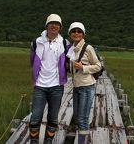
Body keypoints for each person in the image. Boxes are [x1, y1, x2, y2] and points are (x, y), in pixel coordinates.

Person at [29, 14, 70, 144]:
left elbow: (69, 61)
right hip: (40, 85)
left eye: (57, 24)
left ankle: (48, 140)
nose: (54, 26)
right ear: (47, 25)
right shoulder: (37, 42)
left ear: (60, 27)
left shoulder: (64, 43)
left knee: (53, 117)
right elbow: (32, 61)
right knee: (35, 116)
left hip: (57, 86)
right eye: (51, 23)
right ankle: (34, 141)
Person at [66, 22, 101, 144]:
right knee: (77, 118)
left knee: (82, 119)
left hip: (86, 87)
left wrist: (83, 68)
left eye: (79, 31)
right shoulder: (71, 49)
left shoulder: (88, 48)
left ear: (83, 34)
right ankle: (86, 140)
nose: (76, 33)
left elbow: (98, 66)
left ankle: (83, 142)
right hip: (77, 87)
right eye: (74, 31)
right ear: (70, 34)